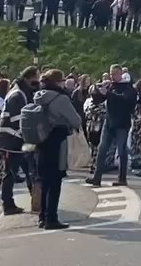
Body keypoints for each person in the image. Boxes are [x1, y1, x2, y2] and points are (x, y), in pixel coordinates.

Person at [32, 68, 83, 230]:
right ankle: (51, 218)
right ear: (58, 82)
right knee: (55, 180)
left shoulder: (38, 96)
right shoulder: (61, 98)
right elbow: (75, 120)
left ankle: (42, 216)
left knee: (44, 180)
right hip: (57, 140)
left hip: (40, 140)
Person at [0, 66, 39, 216]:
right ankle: (7, 204)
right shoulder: (17, 95)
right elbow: (17, 119)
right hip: (11, 140)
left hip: (18, 139)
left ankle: (37, 199)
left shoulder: (21, 92)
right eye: (36, 79)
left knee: (29, 170)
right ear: (29, 78)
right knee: (10, 173)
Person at [87, 64, 134, 187]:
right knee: (102, 150)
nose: (112, 77)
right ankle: (97, 177)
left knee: (122, 150)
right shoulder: (110, 86)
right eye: (111, 74)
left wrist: (108, 93)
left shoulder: (128, 87)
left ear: (120, 74)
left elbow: (125, 100)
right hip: (109, 122)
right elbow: (98, 100)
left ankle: (122, 178)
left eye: (114, 74)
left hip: (122, 123)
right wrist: (96, 91)